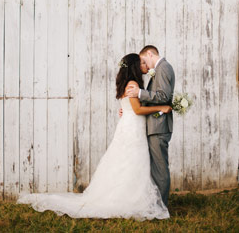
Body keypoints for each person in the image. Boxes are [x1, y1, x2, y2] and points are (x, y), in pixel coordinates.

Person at [17, 53, 170, 220]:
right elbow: (138, 110)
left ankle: (129, 196)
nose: (144, 65)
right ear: (134, 66)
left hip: (130, 125)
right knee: (132, 161)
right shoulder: (133, 83)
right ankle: (128, 199)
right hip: (132, 128)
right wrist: (161, 107)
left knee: (128, 162)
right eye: (140, 63)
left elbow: (130, 107)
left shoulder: (127, 83)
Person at [125, 45, 175, 208]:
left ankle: (161, 207)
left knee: (160, 169)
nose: (144, 65)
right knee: (155, 169)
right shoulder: (159, 70)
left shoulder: (164, 67)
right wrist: (128, 109)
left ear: (150, 53)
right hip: (154, 125)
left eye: (144, 61)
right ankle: (156, 204)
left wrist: (140, 93)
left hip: (159, 126)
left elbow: (163, 96)